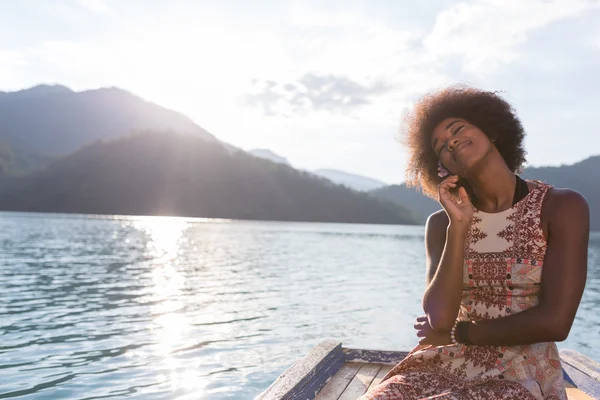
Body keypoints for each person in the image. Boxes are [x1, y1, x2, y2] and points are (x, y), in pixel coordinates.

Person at [360, 86, 589, 400]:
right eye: (440, 146)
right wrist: (459, 226)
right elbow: (439, 318)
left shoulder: (561, 207)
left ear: (492, 131)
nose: (450, 141)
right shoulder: (442, 223)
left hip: (522, 369)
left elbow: (555, 322)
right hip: (447, 360)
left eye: (458, 129)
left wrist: (459, 332)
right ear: (442, 167)